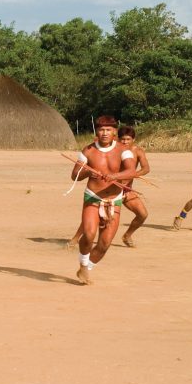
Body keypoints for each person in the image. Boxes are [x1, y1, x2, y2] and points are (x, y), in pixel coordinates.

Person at [68, 115, 137, 285]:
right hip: (93, 196)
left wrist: (114, 176)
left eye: (108, 130)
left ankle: (87, 266)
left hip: (115, 199)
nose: (104, 133)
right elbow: (74, 175)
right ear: (96, 132)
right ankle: (83, 264)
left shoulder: (123, 150)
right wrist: (86, 172)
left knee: (104, 243)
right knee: (89, 234)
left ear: (114, 132)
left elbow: (131, 172)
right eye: (101, 129)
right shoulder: (88, 151)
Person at [66, 125, 149, 248]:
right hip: (108, 190)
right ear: (117, 139)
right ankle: (75, 239)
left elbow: (146, 168)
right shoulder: (114, 150)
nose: (125, 142)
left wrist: (132, 174)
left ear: (133, 140)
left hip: (126, 190)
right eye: (122, 139)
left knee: (143, 214)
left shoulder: (138, 151)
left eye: (128, 139)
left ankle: (127, 235)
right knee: (92, 217)